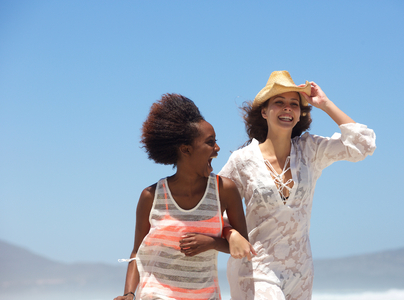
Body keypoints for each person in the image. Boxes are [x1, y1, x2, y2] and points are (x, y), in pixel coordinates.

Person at [218, 71, 376, 300]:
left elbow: (363, 145)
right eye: (279, 102)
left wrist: (325, 104)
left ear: (300, 113)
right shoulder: (243, 160)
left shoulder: (310, 151)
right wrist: (230, 232)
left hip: (301, 273)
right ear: (264, 111)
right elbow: (213, 207)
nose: (287, 108)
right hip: (256, 270)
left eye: (294, 104)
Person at [114, 94, 253, 300]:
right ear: (186, 149)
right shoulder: (151, 197)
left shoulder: (224, 190)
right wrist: (128, 294)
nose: (217, 148)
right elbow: (137, 252)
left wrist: (212, 242)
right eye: (210, 142)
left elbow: (243, 246)